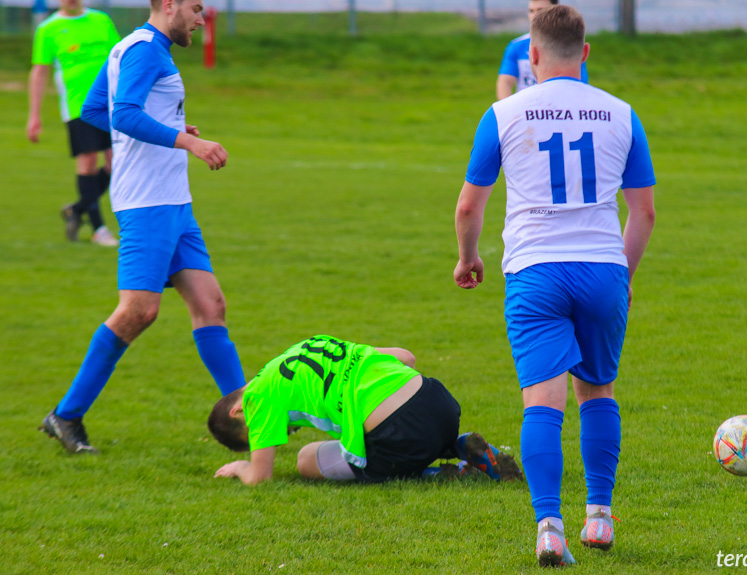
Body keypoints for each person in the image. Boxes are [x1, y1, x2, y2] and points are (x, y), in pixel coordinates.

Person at [454, 5, 656, 567]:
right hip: (600, 270)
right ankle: (599, 516)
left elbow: (469, 204)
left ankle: (549, 528)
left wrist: (469, 259)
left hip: (535, 272)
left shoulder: (503, 113)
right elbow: (644, 214)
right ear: (585, 52)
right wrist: (623, 274)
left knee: (542, 403)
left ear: (532, 55)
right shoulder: (622, 113)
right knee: (597, 390)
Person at [39, 0, 245, 455]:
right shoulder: (146, 50)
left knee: (211, 306)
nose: (200, 18)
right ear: (168, 5)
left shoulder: (131, 45)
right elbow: (122, 114)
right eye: (194, 8)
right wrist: (188, 139)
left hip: (174, 202)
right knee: (138, 311)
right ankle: (66, 415)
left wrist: (168, 125)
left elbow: (95, 109)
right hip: (147, 203)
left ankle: (250, 416)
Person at [209, 335, 522, 485]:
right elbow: (407, 357)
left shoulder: (258, 399)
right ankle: (456, 444)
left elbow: (260, 477)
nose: (277, 439)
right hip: (438, 402)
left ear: (239, 411)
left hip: (401, 432)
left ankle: (446, 473)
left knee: (306, 459)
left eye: (259, 439)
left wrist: (241, 467)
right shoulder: (301, 350)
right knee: (385, 432)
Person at [27, 0, 120, 246]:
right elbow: (40, 71)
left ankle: (77, 209)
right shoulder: (49, 28)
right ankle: (99, 228)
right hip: (79, 107)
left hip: (111, 104)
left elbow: (120, 58)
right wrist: (34, 115)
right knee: (88, 161)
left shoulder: (101, 20)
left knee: (116, 161)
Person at [496, 0, 588, 100]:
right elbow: (504, 83)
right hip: (526, 109)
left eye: (540, 10)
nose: (534, 15)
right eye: (531, 11)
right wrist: (509, 112)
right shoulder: (517, 46)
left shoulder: (567, 45)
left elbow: (580, 85)